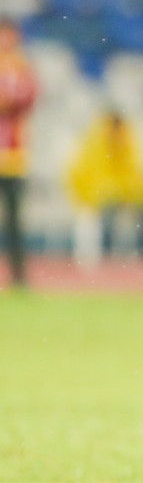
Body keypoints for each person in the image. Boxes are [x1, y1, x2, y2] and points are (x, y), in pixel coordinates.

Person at [68, 109, 143, 267]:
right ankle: (87, 260)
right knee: (88, 220)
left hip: (116, 193)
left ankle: (123, 259)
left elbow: (132, 173)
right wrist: (94, 195)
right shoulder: (95, 143)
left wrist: (128, 198)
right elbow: (84, 173)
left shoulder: (127, 143)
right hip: (92, 193)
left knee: (127, 221)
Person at [0, 18, 39, 290]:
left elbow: (26, 99)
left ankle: (19, 278)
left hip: (13, 155)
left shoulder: (22, 67)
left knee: (14, 220)